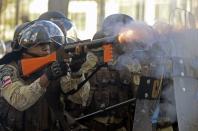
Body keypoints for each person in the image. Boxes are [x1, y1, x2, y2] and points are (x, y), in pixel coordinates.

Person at [0, 20, 97, 131]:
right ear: (23, 46)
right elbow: (19, 100)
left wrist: (76, 71)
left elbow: (79, 98)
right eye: (39, 43)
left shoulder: (53, 65)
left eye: (47, 43)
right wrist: (47, 76)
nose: (46, 47)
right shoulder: (8, 70)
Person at [38, 11, 98, 124]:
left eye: (64, 28)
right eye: (56, 28)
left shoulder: (68, 57)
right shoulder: (31, 58)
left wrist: (76, 70)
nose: (63, 31)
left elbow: (80, 98)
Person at [82, 13, 138, 131]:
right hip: (92, 125)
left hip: (120, 126)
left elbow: (138, 97)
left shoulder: (133, 60)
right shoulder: (91, 58)